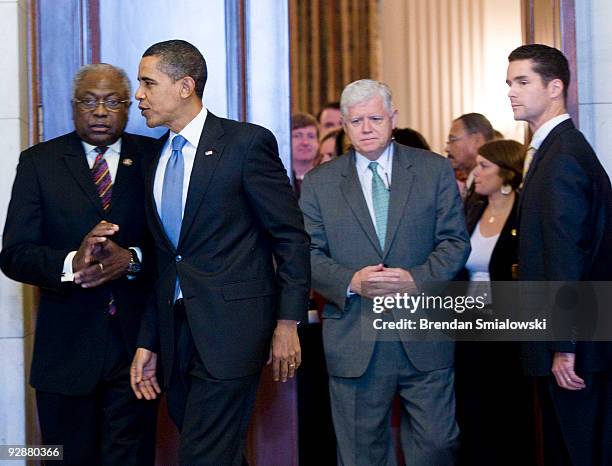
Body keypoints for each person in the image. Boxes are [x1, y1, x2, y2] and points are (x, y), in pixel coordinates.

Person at [130, 39, 310, 465]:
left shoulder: (245, 145)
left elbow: (290, 236)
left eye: (147, 83)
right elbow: (166, 261)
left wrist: (288, 322)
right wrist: (149, 342)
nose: (138, 94)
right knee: (217, 453)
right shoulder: (154, 158)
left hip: (232, 334)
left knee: (202, 456)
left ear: (184, 86)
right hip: (177, 338)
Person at [299, 79, 470, 466]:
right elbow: (307, 254)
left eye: (375, 117)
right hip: (355, 334)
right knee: (362, 454)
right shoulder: (319, 183)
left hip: (424, 331)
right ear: (343, 125)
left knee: (438, 445)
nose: (367, 128)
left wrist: (416, 278)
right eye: (356, 120)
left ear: (393, 118)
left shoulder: (433, 170)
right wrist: (351, 281)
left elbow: (455, 243)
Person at [0, 63, 158, 465]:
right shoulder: (40, 162)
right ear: (73, 107)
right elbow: (15, 253)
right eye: (88, 101)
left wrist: (133, 259)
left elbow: (176, 246)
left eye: (110, 102)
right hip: (64, 356)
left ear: (128, 106)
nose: (100, 111)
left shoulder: (154, 158)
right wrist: (72, 263)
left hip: (137, 353)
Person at [507, 43, 612, 466]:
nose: (511, 92)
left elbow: (567, 255)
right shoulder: (556, 150)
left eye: (522, 81)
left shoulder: (562, 156)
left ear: (555, 88)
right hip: (574, 334)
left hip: (575, 342)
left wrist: (564, 345)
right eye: (509, 83)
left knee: (578, 450)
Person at [454, 139, 536, 466]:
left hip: (508, 332)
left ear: (506, 174)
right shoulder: (472, 210)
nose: (476, 172)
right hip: (468, 329)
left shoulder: (524, 213)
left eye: (484, 166)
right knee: (472, 411)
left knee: (508, 412)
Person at [445, 113, 494, 204]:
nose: (446, 149)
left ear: (477, 140)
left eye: (452, 139)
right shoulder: (471, 186)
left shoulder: (490, 188)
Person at [291, 112, 319, 195]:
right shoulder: (276, 179)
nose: (305, 142)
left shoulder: (327, 180)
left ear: (319, 142)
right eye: (298, 135)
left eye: (311, 136)